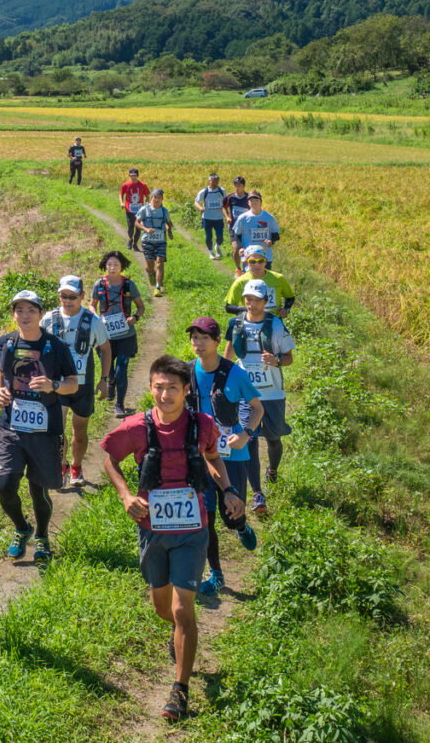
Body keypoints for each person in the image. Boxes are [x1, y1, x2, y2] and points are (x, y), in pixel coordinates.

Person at [101, 356, 245, 723]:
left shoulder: (203, 425)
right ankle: (179, 634)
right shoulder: (135, 427)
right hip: (152, 529)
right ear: (150, 388)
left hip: (193, 529)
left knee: (184, 610)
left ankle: (179, 690)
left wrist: (227, 489)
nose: (165, 395)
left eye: (173, 388)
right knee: (162, 607)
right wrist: (124, 495)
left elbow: (212, 457)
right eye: (159, 387)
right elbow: (108, 459)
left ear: (185, 391)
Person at [0, 290, 79, 563]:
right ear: (13, 315)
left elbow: (73, 382)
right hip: (12, 426)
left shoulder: (56, 346)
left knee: (37, 489)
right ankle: (22, 528)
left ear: (41, 314)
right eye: (19, 310)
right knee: (5, 485)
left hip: (45, 430)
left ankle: (42, 536)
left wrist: (53, 385)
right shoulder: (6, 342)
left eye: (31, 310)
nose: (25, 316)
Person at [185, 317, 265, 595]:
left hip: (232, 455)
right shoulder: (187, 373)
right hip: (201, 456)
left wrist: (245, 434)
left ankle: (241, 526)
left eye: (204, 338)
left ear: (218, 341)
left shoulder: (235, 374)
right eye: (194, 338)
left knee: (230, 513)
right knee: (204, 520)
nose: (198, 343)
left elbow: (257, 408)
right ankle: (216, 574)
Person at [223, 279, 295, 490]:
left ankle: (272, 471)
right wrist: (223, 378)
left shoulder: (276, 325)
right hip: (247, 392)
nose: (251, 304)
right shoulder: (236, 324)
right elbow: (229, 353)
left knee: (273, 438)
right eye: (247, 299)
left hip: (272, 393)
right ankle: (254, 488)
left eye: (256, 300)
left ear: (265, 301)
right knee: (249, 437)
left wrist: (277, 360)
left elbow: (289, 357)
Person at [41, 275, 111, 486]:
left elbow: (105, 349)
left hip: (84, 385)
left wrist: (104, 379)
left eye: (73, 296)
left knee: (79, 431)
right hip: (58, 385)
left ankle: (76, 466)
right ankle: (62, 464)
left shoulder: (93, 321)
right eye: (64, 296)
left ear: (82, 295)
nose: (68, 300)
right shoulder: (48, 319)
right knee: (58, 430)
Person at [90, 251, 145, 419]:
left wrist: (135, 318)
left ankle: (120, 404)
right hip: (105, 335)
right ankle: (111, 382)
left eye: (116, 264)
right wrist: (97, 318)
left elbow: (141, 307)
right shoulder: (99, 285)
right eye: (109, 264)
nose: (112, 267)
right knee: (110, 371)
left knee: (122, 369)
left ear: (121, 266)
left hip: (126, 334)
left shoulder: (129, 285)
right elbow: (92, 305)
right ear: (105, 266)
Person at [224, 244, 296, 320]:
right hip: (250, 321)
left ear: (266, 262)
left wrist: (286, 309)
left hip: (274, 321)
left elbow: (290, 297)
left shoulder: (278, 278)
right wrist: (250, 309)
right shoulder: (241, 281)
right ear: (246, 262)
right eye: (252, 261)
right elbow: (229, 307)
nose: (257, 265)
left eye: (261, 261)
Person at [136, 188, 174, 297]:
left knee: (160, 262)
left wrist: (169, 231)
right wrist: (146, 230)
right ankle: (150, 272)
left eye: (159, 198)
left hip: (161, 241)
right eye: (155, 197)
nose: (156, 200)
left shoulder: (164, 211)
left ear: (162, 199)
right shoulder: (144, 209)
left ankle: (158, 287)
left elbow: (168, 223)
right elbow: (137, 223)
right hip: (147, 241)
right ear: (151, 198)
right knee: (150, 266)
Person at [231, 191, 280, 269]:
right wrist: (240, 247)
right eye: (251, 200)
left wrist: (271, 241)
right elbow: (237, 235)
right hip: (249, 256)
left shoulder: (269, 218)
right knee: (251, 280)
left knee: (264, 280)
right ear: (248, 203)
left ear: (261, 202)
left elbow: (276, 235)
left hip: (265, 256)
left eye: (256, 200)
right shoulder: (242, 218)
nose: (254, 202)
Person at [194, 172, 227, 260]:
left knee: (220, 237)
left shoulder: (222, 191)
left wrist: (227, 214)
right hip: (207, 218)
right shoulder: (204, 191)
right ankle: (211, 252)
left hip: (219, 218)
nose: (215, 183)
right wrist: (200, 208)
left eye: (217, 181)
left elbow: (226, 202)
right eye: (213, 181)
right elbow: (196, 202)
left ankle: (217, 246)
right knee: (209, 236)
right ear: (209, 181)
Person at [223, 176, 251, 274]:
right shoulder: (230, 197)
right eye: (235, 185)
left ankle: (246, 269)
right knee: (236, 249)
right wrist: (227, 217)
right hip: (233, 227)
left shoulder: (249, 198)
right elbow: (223, 207)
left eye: (239, 185)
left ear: (244, 186)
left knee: (245, 249)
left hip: (246, 228)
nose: (237, 187)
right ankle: (238, 268)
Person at [119, 168, 151, 251]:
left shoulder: (143, 185)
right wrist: (121, 202)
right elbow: (121, 194)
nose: (133, 177)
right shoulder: (125, 185)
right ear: (129, 175)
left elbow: (147, 195)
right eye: (131, 175)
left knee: (138, 228)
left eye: (135, 175)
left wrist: (147, 204)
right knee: (130, 227)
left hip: (140, 210)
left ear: (137, 176)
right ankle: (130, 240)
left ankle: (135, 244)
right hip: (129, 209)